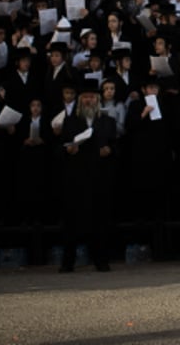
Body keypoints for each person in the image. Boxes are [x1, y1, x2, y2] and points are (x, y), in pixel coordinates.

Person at [58, 77, 119, 272]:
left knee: (100, 222)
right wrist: (69, 150)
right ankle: (68, 262)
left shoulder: (107, 121)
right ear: (80, 99)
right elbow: (60, 147)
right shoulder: (69, 122)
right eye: (85, 98)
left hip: (99, 178)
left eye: (92, 98)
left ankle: (101, 260)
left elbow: (116, 145)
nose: (88, 101)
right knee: (72, 222)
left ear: (97, 100)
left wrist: (109, 149)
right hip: (76, 178)